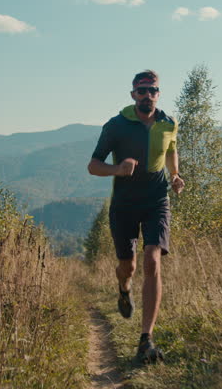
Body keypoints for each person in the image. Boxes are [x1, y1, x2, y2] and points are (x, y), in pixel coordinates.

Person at [87, 70, 185, 363]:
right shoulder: (116, 125)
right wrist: (117, 170)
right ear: (133, 95)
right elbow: (93, 165)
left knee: (152, 260)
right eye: (141, 91)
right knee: (127, 266)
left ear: (158, 93)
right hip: (124, 204)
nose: (147, 95)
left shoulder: (169, 122)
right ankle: (123, 288)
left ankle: (146, 339)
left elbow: (171, 151)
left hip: (156, 200)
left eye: (152, 90)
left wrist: (176, 175)